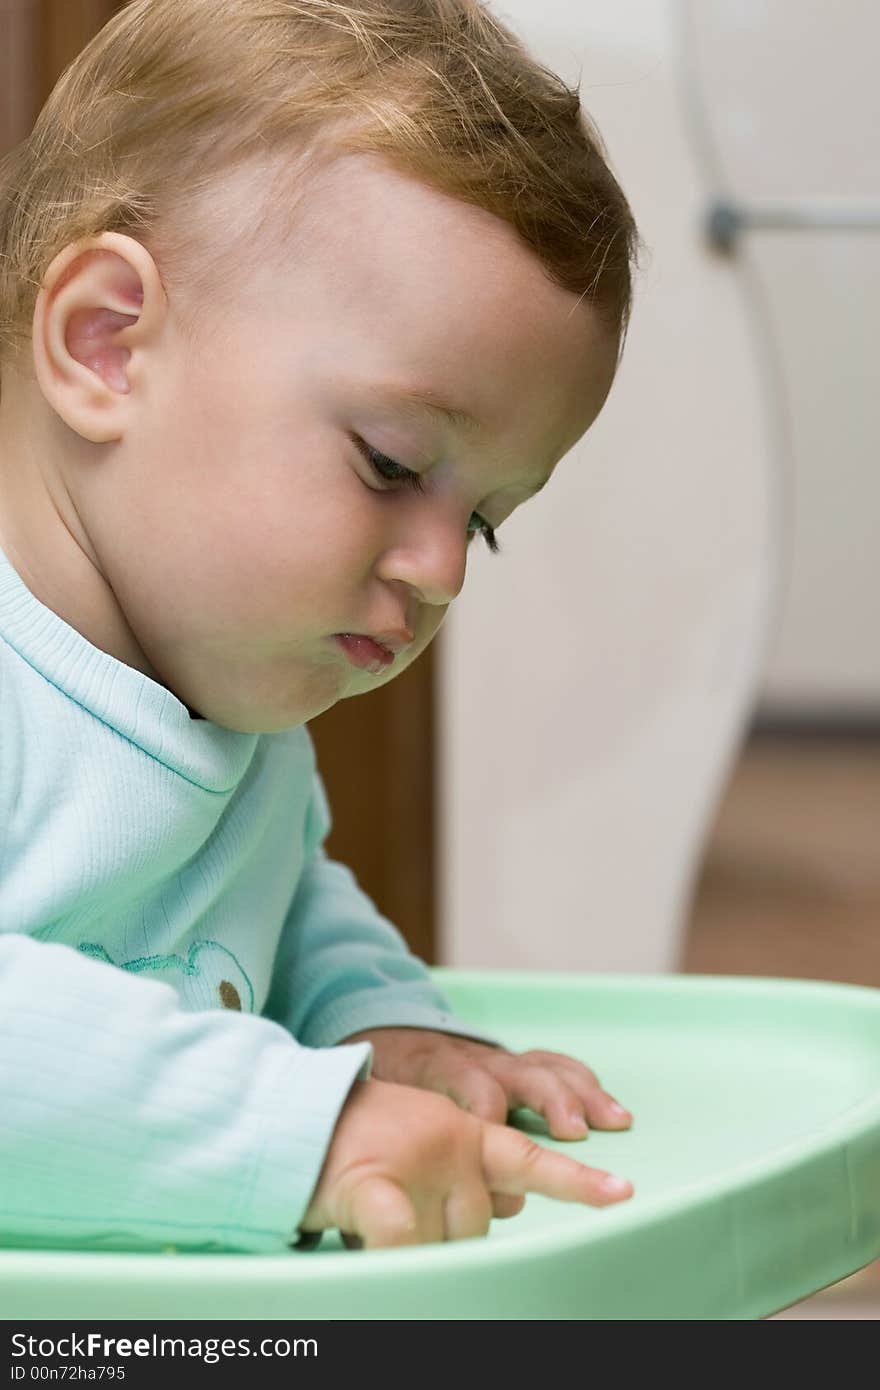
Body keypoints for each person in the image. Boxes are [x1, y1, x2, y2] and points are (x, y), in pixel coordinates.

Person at [0, 0, 644, 1254]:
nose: (445, 569)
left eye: (490, 520)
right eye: (393, 463)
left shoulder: (220, 705)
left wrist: (380, 1024)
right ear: (108, 346)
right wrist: (302, 1129)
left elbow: (276, 895)